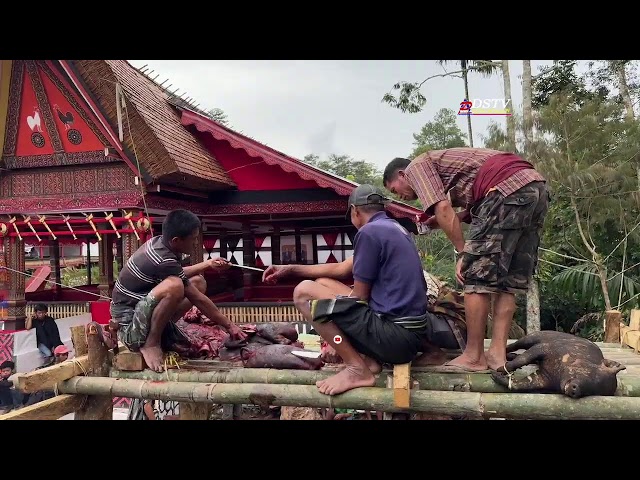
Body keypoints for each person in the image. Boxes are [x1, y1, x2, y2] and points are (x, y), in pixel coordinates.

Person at [382, 148, 550, 372]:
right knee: (506, 282)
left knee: (474, 275)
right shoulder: (458, 172)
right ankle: (497, 355)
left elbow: (443, 208)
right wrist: (440, 221)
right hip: (535, 188)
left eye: (395, 189)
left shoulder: (416, 167)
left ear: (402, 174)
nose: (400, 196)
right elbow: (472, 212)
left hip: (504, 190)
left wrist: (464, 252)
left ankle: (473, 356)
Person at [263, 184, 429, 396]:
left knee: (303, 292)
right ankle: (368, 361)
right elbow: (340, 269)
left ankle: (356, 367)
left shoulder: (369, 232)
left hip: (395, 339)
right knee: (323, 282)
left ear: (355, 211)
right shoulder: (391, 228)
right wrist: (291, 269)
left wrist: (336, 336)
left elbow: (359, 296)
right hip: (408, 335)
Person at [109, 209, 247, 372]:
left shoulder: (161, 244)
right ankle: (151, 343)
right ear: (176, 240)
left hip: (142, 310)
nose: (196, 243)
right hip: (130, 326)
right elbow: (196, 297)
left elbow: (177, 272)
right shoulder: (163, 258)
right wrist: (229, 325)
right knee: (175, 286)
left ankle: (162, 328)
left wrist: (208, 264)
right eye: (193, 239)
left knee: (198, 282)